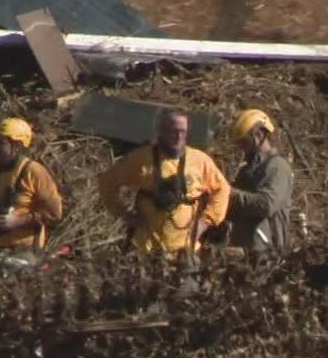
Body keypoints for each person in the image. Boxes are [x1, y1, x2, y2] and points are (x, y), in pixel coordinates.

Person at [97, 109, 230, 258]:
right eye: (173, 131)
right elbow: (107, 183)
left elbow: (222, 189)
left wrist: (205, 222)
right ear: (161, 131)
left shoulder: (200, 161)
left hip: (186, 250)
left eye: (183, 131)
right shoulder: (141, 159)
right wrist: (125, 214)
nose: (178, 137)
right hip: (147, 249)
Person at [0, 117, 64, 254]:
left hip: (24, 251)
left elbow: (54, 214)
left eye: (1, 143)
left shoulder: (35, 172)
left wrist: (18, 221)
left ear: (17, 146)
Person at [222, 109, 295, 252]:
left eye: (243, 141)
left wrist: (228, 193)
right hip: (244, 251)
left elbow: (266, 204)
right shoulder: (247, 171)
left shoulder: (277, 167)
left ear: (259, 134)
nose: (240, 147)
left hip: (266, 253)